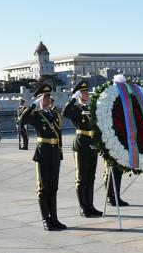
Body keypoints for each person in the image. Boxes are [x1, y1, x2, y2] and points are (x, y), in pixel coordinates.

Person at [19, 82, 66, 230]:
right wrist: (33, 104)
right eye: (44, 97)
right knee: (43, 187)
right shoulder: (36, 115)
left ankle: (55, 219)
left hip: (54, 153)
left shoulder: (54, 114)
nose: (47, 100)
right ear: (40, 100)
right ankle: (46, 219)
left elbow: (59, 133)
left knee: (54, 187)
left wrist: (59, 152)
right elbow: (22, 120)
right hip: (43, 152)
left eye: (48, 97)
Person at [63, 79, 103, 217]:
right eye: (83, 92)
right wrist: (73, 99)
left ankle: (90, 205)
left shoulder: (91, 107)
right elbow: (65, 112)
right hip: (81, 143)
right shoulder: (75, 108)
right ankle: (83, 207)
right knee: (81, 177)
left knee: (91, 177)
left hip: (92, 143)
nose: (86, 94)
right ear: (79, 94)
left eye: (87, 92)